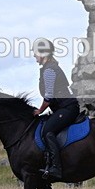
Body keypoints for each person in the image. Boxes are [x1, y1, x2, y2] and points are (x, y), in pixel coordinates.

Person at [33, 38, 80, 180]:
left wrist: (39, 111)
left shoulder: (49, 70)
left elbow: (49, 96)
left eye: (35, 53)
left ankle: (56, 168)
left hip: (67, 108)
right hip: (62, 108)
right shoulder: (49, 68)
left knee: (48, 131)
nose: (35, 57)